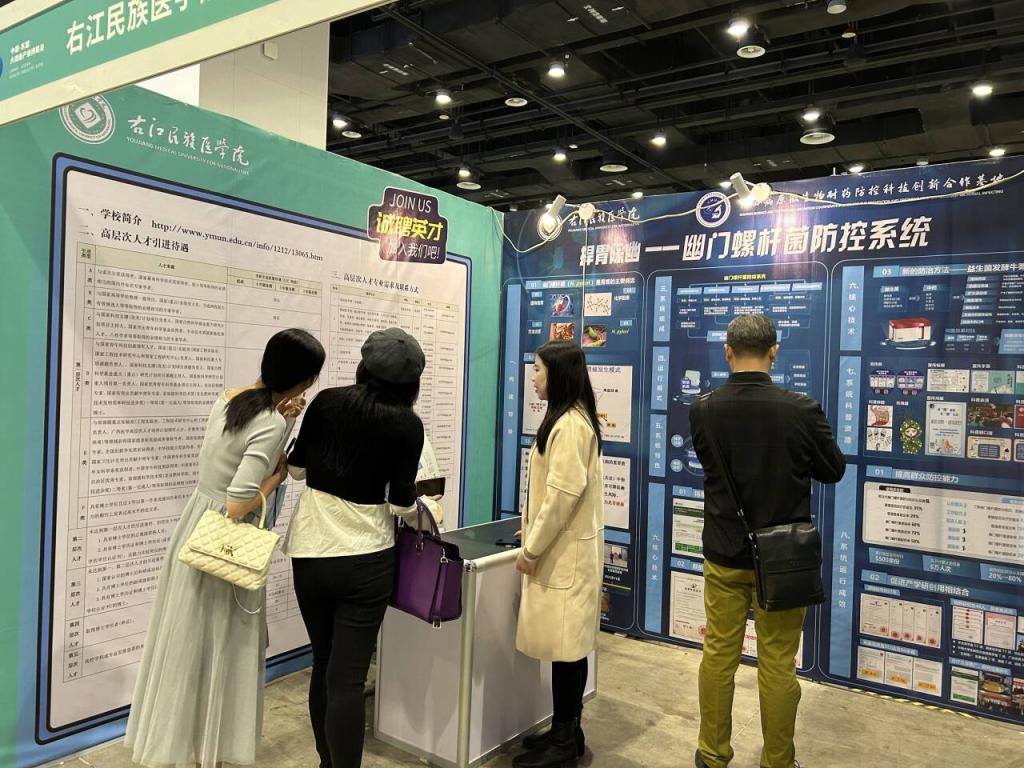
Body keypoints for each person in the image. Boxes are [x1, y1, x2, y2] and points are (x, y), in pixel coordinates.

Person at [125, 328, 325, 768]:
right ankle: (208, 751)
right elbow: (238, 503)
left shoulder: (230, 399)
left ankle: (185, 744)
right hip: (227, 542)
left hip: (197, 526)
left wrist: (287, 422)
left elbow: (239, 457)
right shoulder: (270, 423)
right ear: (304, 379)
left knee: (189, 641)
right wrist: (278, 478)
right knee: (221, 645)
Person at [689, 314, 845, 768]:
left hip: (725, 553)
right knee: (778, 662)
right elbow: (832, 470)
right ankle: (777, 760)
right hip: (783, 559)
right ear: (774, 351)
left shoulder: (703, 410)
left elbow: (713, 470)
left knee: (718, 654)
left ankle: (712, 754)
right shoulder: (801, 409)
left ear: (728, 352)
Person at [283, 327, 427, 768]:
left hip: (311, 552)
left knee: (323, 663)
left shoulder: (326, 402)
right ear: (412, 383)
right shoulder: (407, 425)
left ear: (365, 366)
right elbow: (401, 503)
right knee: (348, 679)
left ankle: (326, 763)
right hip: (367, 560)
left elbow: (296, 470)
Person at [513, 340, 604, 768]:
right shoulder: (572, 419)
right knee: (568, 649)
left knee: (567, 651)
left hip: (564, 555)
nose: (533, 377)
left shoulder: (569, 425)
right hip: (566, 549)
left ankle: (565, 741)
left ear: (558, 375)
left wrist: (532, 548)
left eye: (538, 370)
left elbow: (562, 495)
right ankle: (566, 728)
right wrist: (531, 526)